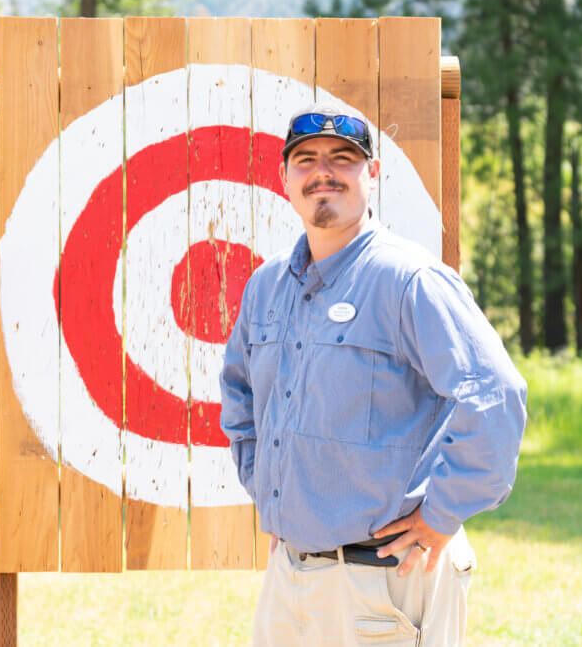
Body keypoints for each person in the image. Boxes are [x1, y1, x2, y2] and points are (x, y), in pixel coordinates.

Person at [219, 104, 528, 646]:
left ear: (372, 175)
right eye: (306, 159)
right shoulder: (267, 286)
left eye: (344, 159)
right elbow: (240, 396)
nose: (324, 172)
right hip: (290, 575)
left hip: (384, 583)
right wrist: (279, 498)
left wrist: (441, 514)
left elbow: (494, 396)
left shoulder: (410, 280)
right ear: (285, 178)